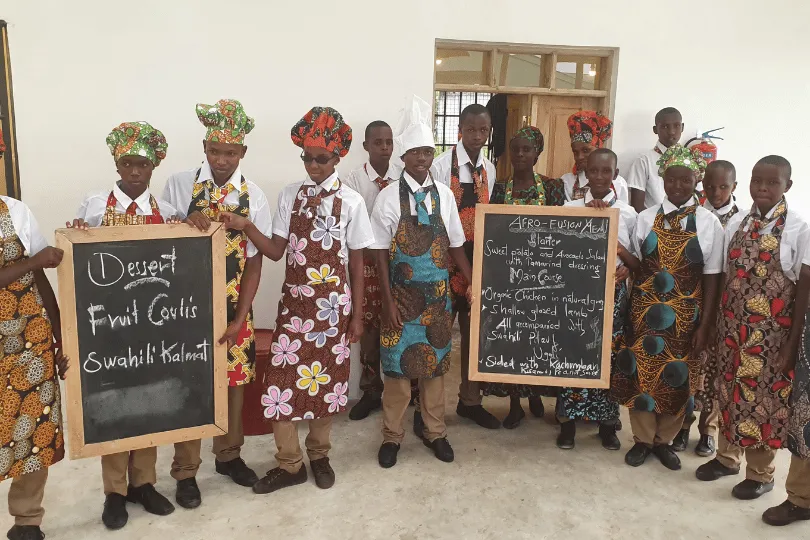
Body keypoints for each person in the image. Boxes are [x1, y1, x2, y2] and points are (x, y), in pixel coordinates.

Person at [220, 106, 372, 494]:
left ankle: (319, 455)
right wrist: (246, 225)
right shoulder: (291, 194)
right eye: (307, 157)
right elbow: (273, 252)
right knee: (280, 388)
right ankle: (290, 464)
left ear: (338, 158)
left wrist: (357, 314)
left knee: (326, 387)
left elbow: (357, 263)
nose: (313, 165)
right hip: (295, 310)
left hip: (334, 311)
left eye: (321, 159)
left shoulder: (352, 202)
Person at [70, 121, 178, 530]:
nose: (135, 171)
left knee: (149, 402)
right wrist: (78, 234)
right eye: (128, 163)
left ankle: (145, 483)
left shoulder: (166, 212)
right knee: (115, 405)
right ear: (117, 162)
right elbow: (79, 262)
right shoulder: (95, 205)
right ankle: (115, 491)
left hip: (153, 323)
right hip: (110, 324)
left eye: (143, 164)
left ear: (154, 167)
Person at [163, 99, 271, 507]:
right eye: (214, 151)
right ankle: (186, 471)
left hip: (233, 306)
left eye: (230, 152)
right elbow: (158, 243)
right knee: (191, 386)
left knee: (234, 385)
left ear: (243, 152)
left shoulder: (253, 195)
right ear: (204, 147)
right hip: (184, 308)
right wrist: (180, 222)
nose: (221, 160)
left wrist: (242, 315)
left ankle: (228, 456)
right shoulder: (177, 184)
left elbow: (256, 263)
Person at [696, 155, 810, 501]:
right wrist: (713, 324)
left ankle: (760, 474)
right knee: (729, 395)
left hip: (771, 340)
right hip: (732, 332)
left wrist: (792, 344)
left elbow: (803, 290)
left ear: (787, 186)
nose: (762, 187)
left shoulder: (797, 229)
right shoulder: (737, 224)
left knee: (763, 405)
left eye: (772, 182)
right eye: (757, 180)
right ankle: (727, 458)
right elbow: (722, 277)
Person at [372, 95, 473, 467]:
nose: (421, 159)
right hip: (400, 298)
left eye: (427, 153)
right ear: (403, 157)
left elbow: (457, 246)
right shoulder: (386, 199)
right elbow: (379, 253)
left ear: (433, 156)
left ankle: (435, 432)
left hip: (437, 301)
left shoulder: (445, 195)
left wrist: (473, 280)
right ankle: (392, 436)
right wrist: (387, 301)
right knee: (397, 374)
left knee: (434, 370)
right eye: (414, 152)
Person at [612, 144, 723, 471]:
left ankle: (664, 441)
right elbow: (635, 263)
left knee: (677, 377)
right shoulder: (645, 217)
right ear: (663, 180)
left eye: (685, 180)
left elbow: (713, 276)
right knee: (640, 375)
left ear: (695, 181)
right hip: (644, 311)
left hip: (686, 315)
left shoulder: (708, 222)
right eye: (672, 180)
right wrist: (616, 246)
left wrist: (706, 324)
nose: (678, 186)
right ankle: (643, 440)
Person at [480, 126, 565, 428]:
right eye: (515, 149)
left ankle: (536, 394)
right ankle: (516, 403)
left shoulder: (554, 188)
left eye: (526, 149)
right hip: (509, 279)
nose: (519, 155)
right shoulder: (500, 189)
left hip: (545, 278)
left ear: (537, 154)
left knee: (540, 338)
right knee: (514, 342)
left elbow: (563, 232)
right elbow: (492, 232)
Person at [558, 148, 639, 450]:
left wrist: (618, 250)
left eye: (607, 172)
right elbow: (555, 255)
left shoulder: (628, 214)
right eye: (594, 171)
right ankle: (568, 423)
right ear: (585, 173)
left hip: (612, 298)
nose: (600, 177)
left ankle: (607, 424)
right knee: (571, 354)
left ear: (616, 175)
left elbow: (637, 263)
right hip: (575, 296)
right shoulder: (570, 207)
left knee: (610, 360)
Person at [0, 196, 67, 540]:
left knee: (35, 426)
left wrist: (59, 335)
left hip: (30, 335)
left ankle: (27, 520)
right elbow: (34, 263)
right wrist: (32, 263)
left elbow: (40, 275)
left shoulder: (14, 210)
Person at [343, 121, 418, 421]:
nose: (385, 148)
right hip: (365, 263)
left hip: (399, 261)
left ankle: (405, 389)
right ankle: (370, 390)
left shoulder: (403, 177)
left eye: (389, 142)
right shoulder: (353, 180)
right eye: (378, 142)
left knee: (403, 323)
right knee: (369, 328)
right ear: (366, 146)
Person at [431, 103, 499, 430]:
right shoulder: (442, 166)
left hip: (477, 266)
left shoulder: (491, 169)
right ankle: (427, 411)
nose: (476, 135)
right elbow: (431, 220)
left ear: (489, 132)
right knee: (437, 337)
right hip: (443, 266)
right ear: (460, 128)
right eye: (470, 129)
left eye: (482, 130)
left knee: (475, 339)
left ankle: (470, 402)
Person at [673, 160, 738, 456]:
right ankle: (682, 426)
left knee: (714, 373)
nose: (716, 192)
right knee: (690, 365)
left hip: (728, 306)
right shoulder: (694, 215)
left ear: (734, 187)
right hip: (693, 302)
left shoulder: (741, 220)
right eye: (710, 186)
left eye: (723, 186)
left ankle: (708, 430)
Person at [561, 111, 629, 204]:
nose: (579, 157)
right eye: (575, 152)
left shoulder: (618, 183)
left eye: (586, 150)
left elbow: (623, 214)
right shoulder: (567, 182)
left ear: (598, 149)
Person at [626, 107, 685, 213]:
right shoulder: (643, 161)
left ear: (682, 127)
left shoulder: (690, 160)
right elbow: (637, 207)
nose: (671, 132)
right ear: (655, 129)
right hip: (654, 224)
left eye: (676, 126)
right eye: (665, 126)